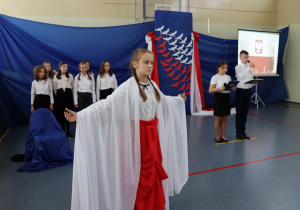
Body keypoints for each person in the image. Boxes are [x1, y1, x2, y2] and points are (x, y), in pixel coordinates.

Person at [64, 48, 188, 210]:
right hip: (136, 139)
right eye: (146, 62)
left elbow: (164, 101)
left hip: (152, 139)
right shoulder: (127, 87)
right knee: (139, 176)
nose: (150, 66)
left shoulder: (152, 85)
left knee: (153, 173)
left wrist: (178, 100)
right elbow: (106, 105)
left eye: (152, 62)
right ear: (135, 64)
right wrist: (80, 116)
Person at [209, 61, 236, 143]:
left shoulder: (228, 77)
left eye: (226, 68)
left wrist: (232, 89)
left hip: (227, 97)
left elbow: (229, 88)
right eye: (223, 68)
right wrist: (218, 89)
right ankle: (217, 137)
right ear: (218, 68)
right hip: (218, 98)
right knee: (218, 118)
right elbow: (210, 90)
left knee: (225, 118)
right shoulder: (215, 77)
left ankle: (223, 136)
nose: (225, 70)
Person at [235, 50, 258, 140]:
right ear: (240, 58)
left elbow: (249, 79)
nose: (246, 59)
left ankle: (243, 131)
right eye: (245, 57)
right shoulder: (238, 67)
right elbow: (240, 76)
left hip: (248, 91)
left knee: (245, 112)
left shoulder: (250, 68)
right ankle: (238, 132)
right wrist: (249, 68)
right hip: (241, 91)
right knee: (239, 113)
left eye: (247, 57)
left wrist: (254, 83)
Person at [53, 62, 74, 139]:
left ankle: (68, 131)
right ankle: (63, 131)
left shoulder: (70, 76)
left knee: (68, 113)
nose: (65, 68)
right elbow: (55, 89)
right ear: (60, 67)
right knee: (62, 115)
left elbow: (72, 87)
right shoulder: (56, 77)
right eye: (63, 66)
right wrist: (60, 95)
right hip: (60, 97)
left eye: (66, 67)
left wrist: (68, 94)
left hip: (68, 97)